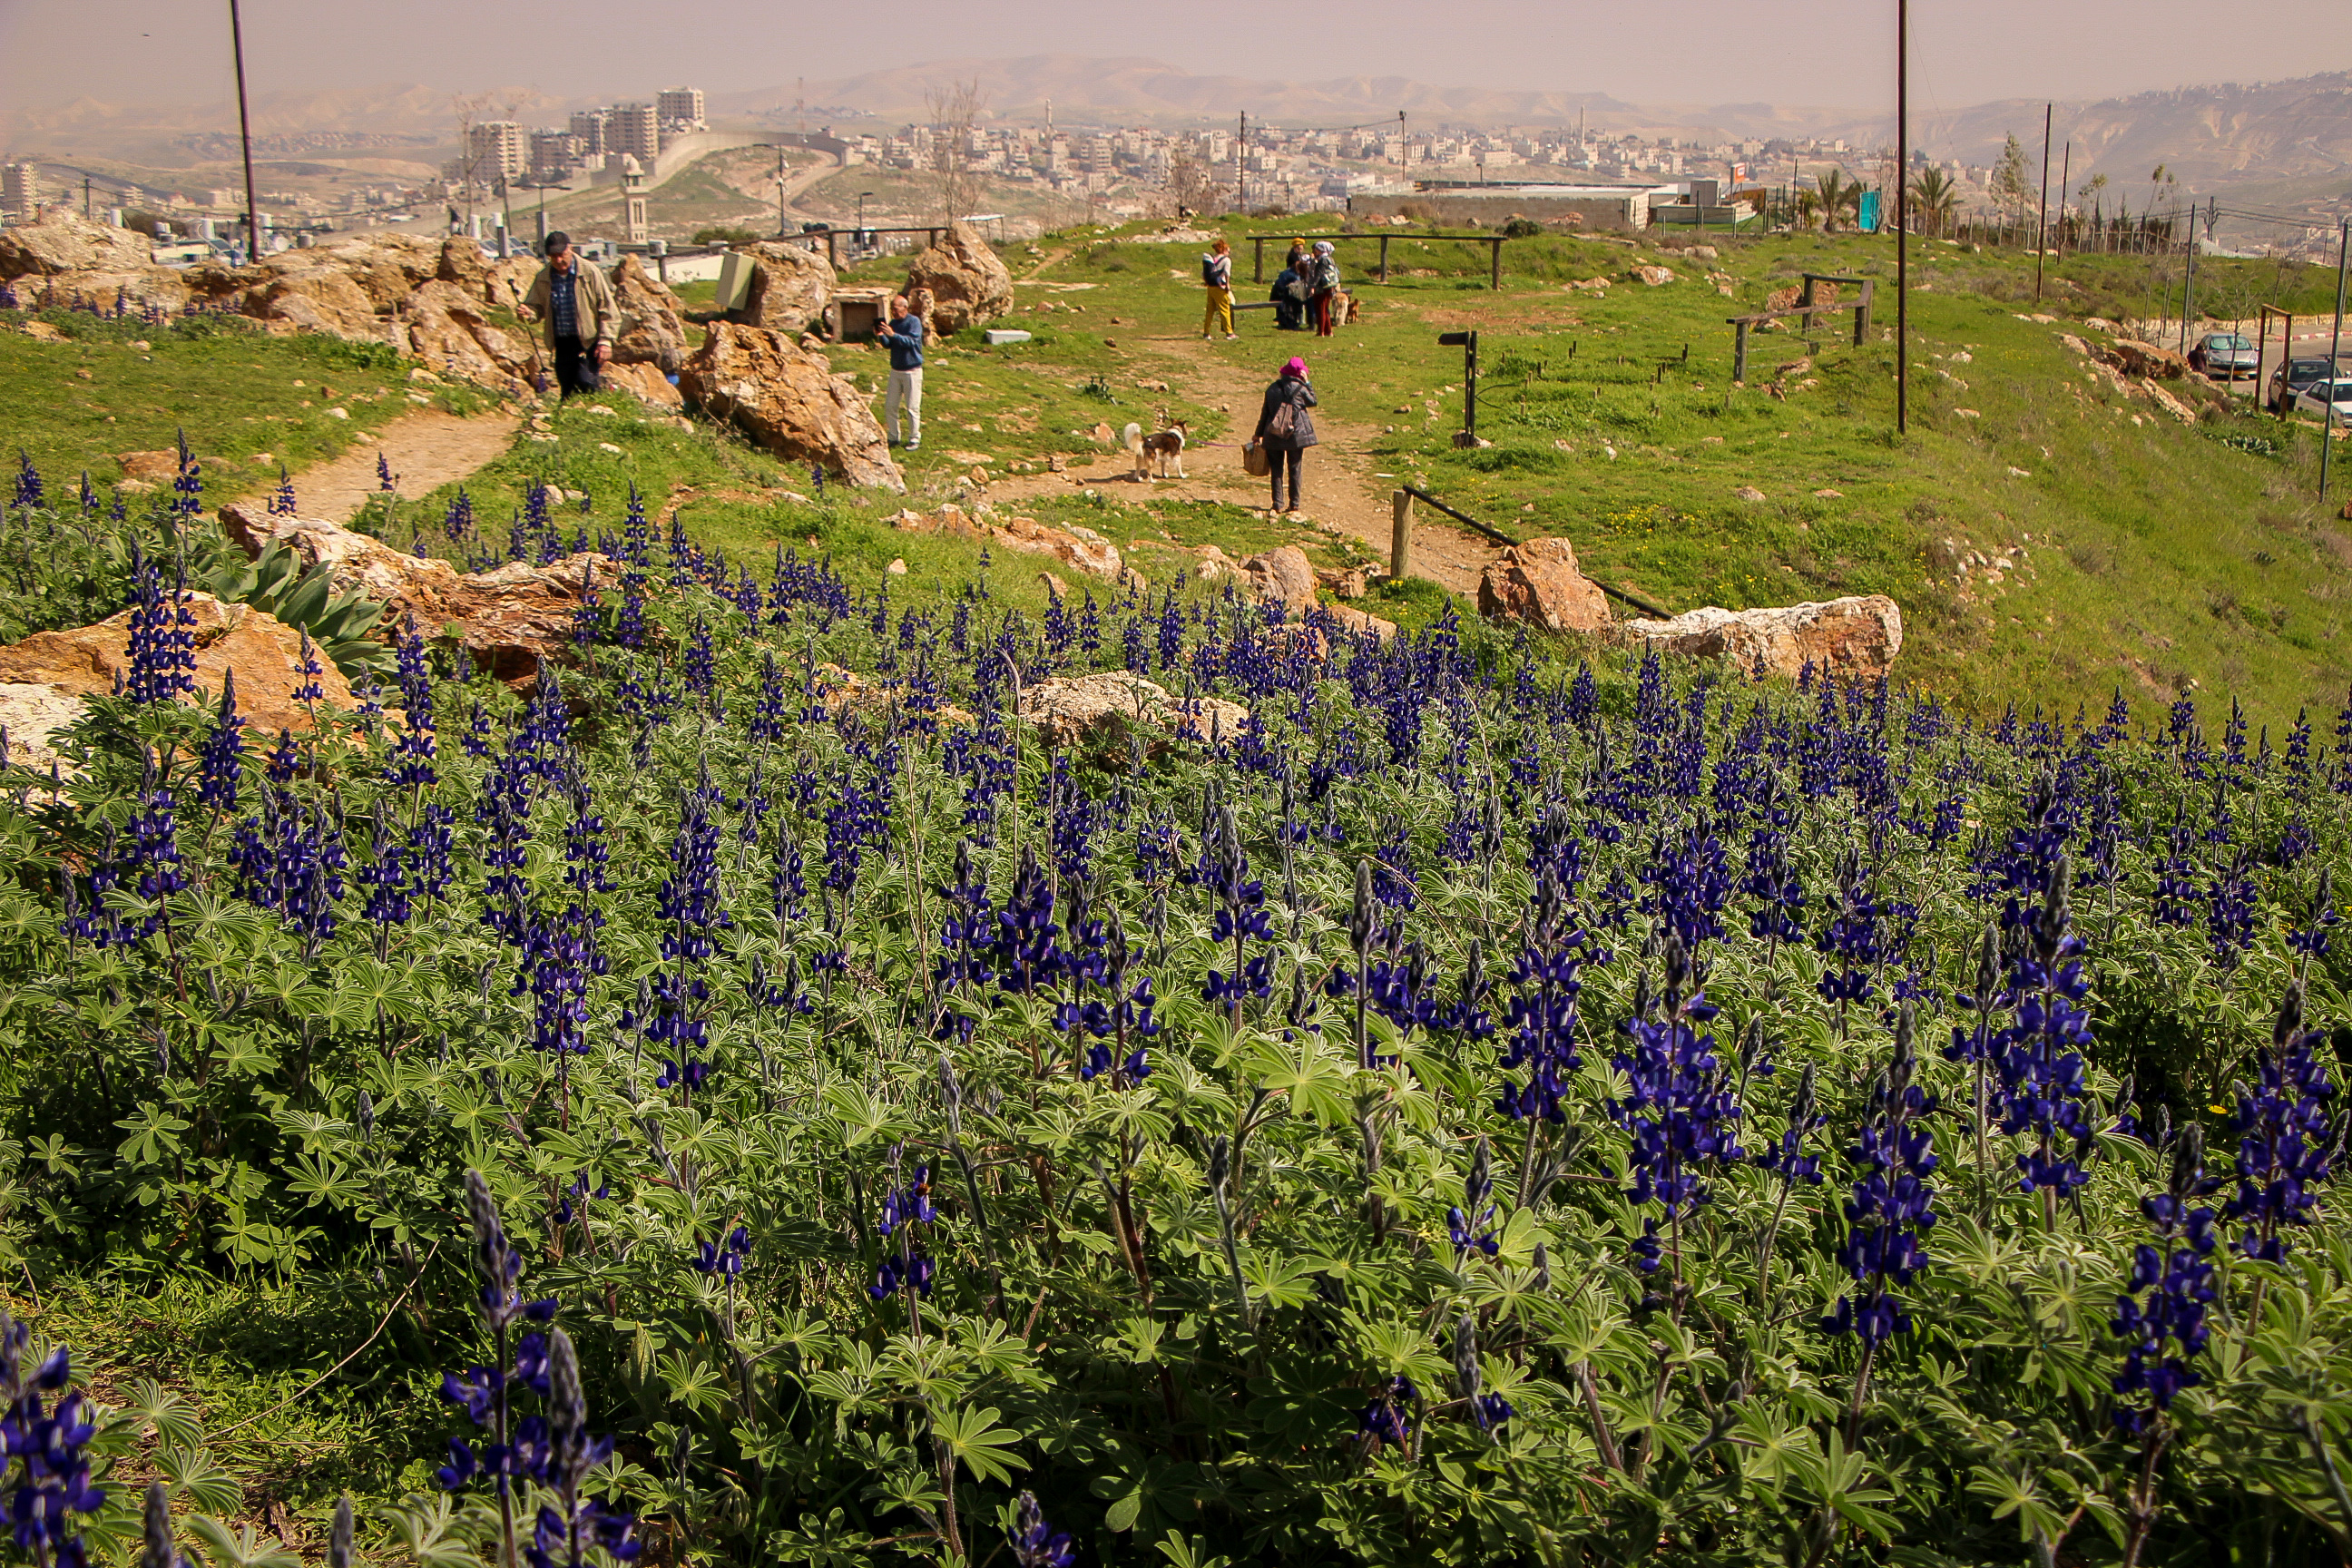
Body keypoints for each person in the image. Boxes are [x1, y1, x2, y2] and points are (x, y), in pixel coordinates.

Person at [520, 231, 618, 399]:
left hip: (587, 341)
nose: (558, 260)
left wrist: (606, 341)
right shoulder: (544, 277)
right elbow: (536, 307)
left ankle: (598, 417)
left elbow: (608, 309)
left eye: (561, 255)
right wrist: (529, 313)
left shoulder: (589, 273)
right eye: (553, 256)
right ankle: (570, 420)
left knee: (587, 383)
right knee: (567, 387)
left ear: (570, 249)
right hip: (562, 342)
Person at [1252, 356, 1318, 514]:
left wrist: (1258, 434)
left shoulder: (1272, 389)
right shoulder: (1301, 389)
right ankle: (1294, 504)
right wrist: (1307, 383)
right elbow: (1313, 401)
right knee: (1295, 468)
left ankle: (1277, 503)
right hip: (1296, 436)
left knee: (1276, 470)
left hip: (1273, 434)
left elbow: (1265, 413)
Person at [877, 293, 925, 450]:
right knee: (891, 406)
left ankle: (914, 438)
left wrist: (893, 335)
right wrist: (881, 335)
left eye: (896, 309)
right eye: (892, 309)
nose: (894, 312)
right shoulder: (893, 323)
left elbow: (911, 342)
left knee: (912, 407)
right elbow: (889, 344)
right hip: (896, 370)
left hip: (912, 370)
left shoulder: (914, 322)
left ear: (905, 308)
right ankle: (893, 436)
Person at [1200, 237, 1237, 340]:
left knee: (1209, 311)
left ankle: (1206, 333)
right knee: (1225, 310)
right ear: (1224, 250)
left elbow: (1203, 273)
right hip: (1220, 287)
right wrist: (1228, 286)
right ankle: (1229, 333)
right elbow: (1227, 273)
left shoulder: (1212, 260)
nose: (1229, 253)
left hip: (1210, 287)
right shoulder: (1226, 260)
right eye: (1228, 251)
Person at [1306, 240, 1341, 338]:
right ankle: (1328, 331)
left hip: (1321, 287)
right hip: (1329, 287)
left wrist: (1312, 287)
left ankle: (1321, 331)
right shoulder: (1330, 259)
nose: (1315, 251)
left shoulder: (1322, 260)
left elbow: (1318, 275)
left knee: (1320, 309)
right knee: (1325, 309)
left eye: (1317, 249)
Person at [1271, 264, 1305, 331]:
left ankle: (1283, 322)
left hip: (1276, 291)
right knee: (1295, 303)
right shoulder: (1294, 276)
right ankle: (1290, 323)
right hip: (1281, 292)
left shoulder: (1287, 271)